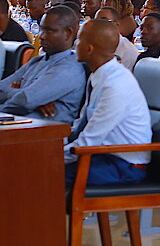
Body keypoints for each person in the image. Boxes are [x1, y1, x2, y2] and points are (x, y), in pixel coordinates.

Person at [65, 20, 152, 186]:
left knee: (44, 170)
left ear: (89, 49)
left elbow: (90, 140)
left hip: (123, 165)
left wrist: (52, 156)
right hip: (100, 154)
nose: (75, 44)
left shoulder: (115, 84)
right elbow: (82, 124)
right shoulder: (98, 75)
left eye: (79, 40)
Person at [0, 6, 86, 122]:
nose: (41, 36)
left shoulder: (68, 68)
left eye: (49, 30)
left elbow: (25, 100)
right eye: (41, 29)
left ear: (68, 33)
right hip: (19, 123)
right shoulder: (36, 61)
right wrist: (35, 100)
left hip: (46, 130)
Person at [95, 7, 141, 71]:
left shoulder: (127, 50)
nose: (98, 25)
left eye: (104, 21)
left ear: (116, 24)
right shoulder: (93, 43)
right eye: (96, 22)